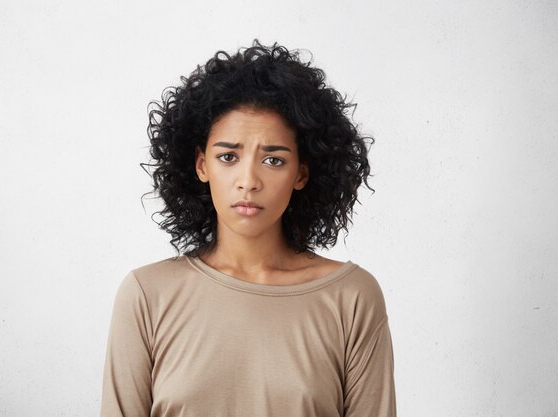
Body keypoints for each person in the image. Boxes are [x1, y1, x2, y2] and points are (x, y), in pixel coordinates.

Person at [100, 39, 396, 417]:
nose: (248, 180)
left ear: (301, 173)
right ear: (201, 165)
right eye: (228, 157)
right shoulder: (146, 296)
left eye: (273, 160)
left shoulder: (351, 298)